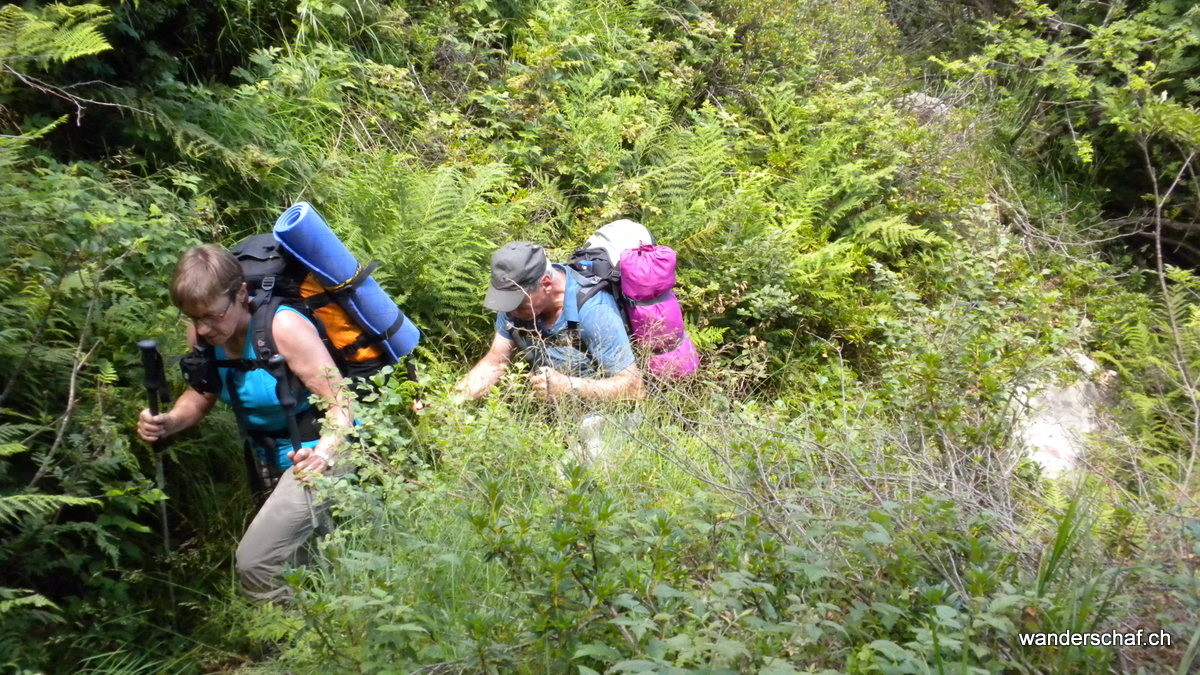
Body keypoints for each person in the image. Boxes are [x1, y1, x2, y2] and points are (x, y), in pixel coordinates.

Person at [136, 244, 351, 603]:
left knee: (256, 563)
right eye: (193, 318)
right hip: (265, 458)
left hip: (318, 454)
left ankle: (297, 644)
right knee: (308, 563)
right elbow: (201, 394)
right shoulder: (204, 336)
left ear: (240, 294)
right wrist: (169, 422)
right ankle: (332, 640)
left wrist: (325, 454)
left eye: (212, 316)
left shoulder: (283, 327)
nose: (203, 329)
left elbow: (340, 403)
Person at [455, 241, 644, 402]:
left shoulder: (592, 309)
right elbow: (494, 364)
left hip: (604, 413)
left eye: (517, 304)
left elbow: (634, 387)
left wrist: (569, 387)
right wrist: (445, 404)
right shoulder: (513, 303)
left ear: (546, 284)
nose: (510, 313)